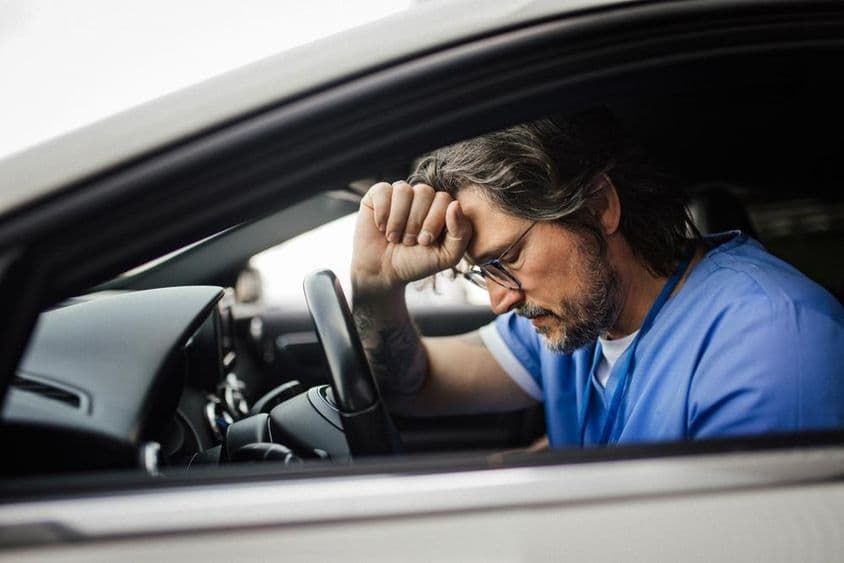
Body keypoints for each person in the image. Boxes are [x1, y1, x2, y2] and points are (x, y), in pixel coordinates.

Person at [350, 109, 844, 448]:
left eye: (510, 256)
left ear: (598, 207)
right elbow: (410, 386)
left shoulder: (771, 340)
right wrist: (376, 287)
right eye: (485, 271)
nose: (500, 300)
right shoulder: (584, 314)